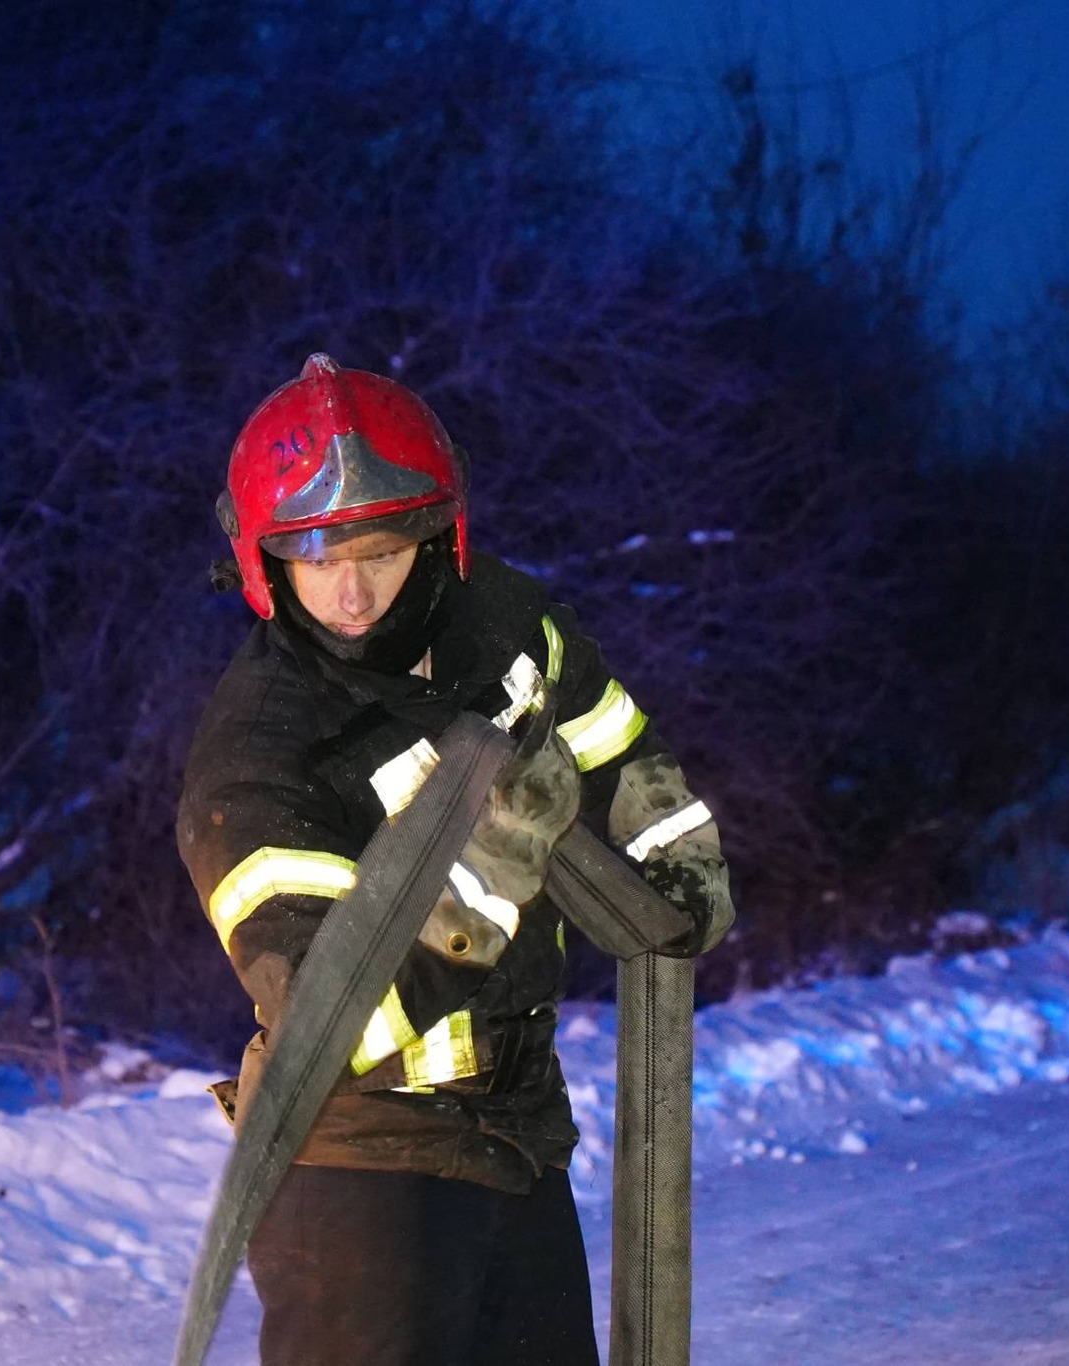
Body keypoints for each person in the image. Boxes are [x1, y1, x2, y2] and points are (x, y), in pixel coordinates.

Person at [176, 353, 734, 1366]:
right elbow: (332, 1019)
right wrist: (493, 867)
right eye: (316, 560)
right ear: (263, 562)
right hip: (357, 1169)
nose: (352, 593)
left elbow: (614, 746)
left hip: (516, 1135)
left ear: (438, 535)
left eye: (382, 551)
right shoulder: (258, 750)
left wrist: (674, 850)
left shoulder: (507, 627)